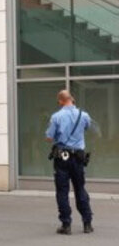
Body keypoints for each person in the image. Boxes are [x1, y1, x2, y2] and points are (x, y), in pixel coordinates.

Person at [46, 90, 94, 235]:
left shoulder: (56, 117)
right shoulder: (84, 115)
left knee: (62, 191)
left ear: (60, 101)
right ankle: (87, 223)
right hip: (79, 157)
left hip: (62, 158)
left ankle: (66, 225)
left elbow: (49, 137)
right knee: (80, 189)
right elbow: (87, 127)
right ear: (72, 99)